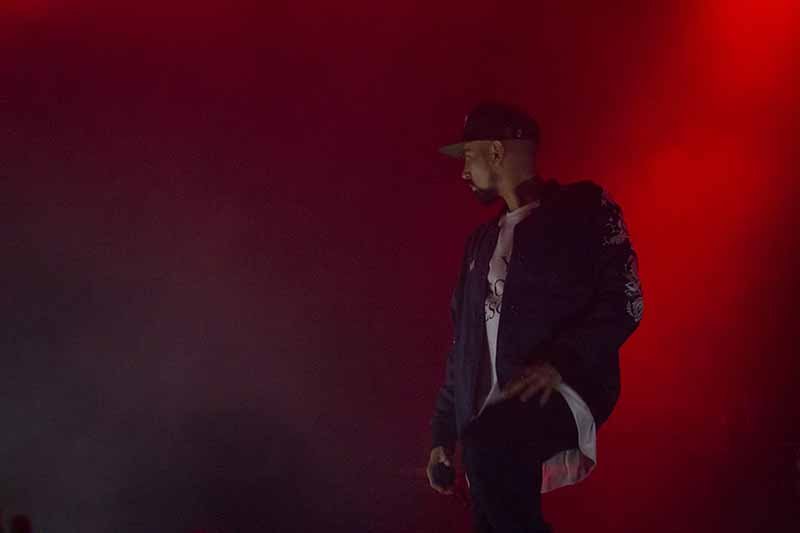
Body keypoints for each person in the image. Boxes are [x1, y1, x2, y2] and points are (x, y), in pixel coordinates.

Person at [426, 102, 644, 532]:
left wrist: (559, 362)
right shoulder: (479, 244)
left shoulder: (582, 208)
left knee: (490, 445)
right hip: (487, 418)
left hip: (558, 389)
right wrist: (442, 435)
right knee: (491, 497)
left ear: (496, 151)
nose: (463, 172)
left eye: (468, 155)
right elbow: (461, 347)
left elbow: (625, 299)